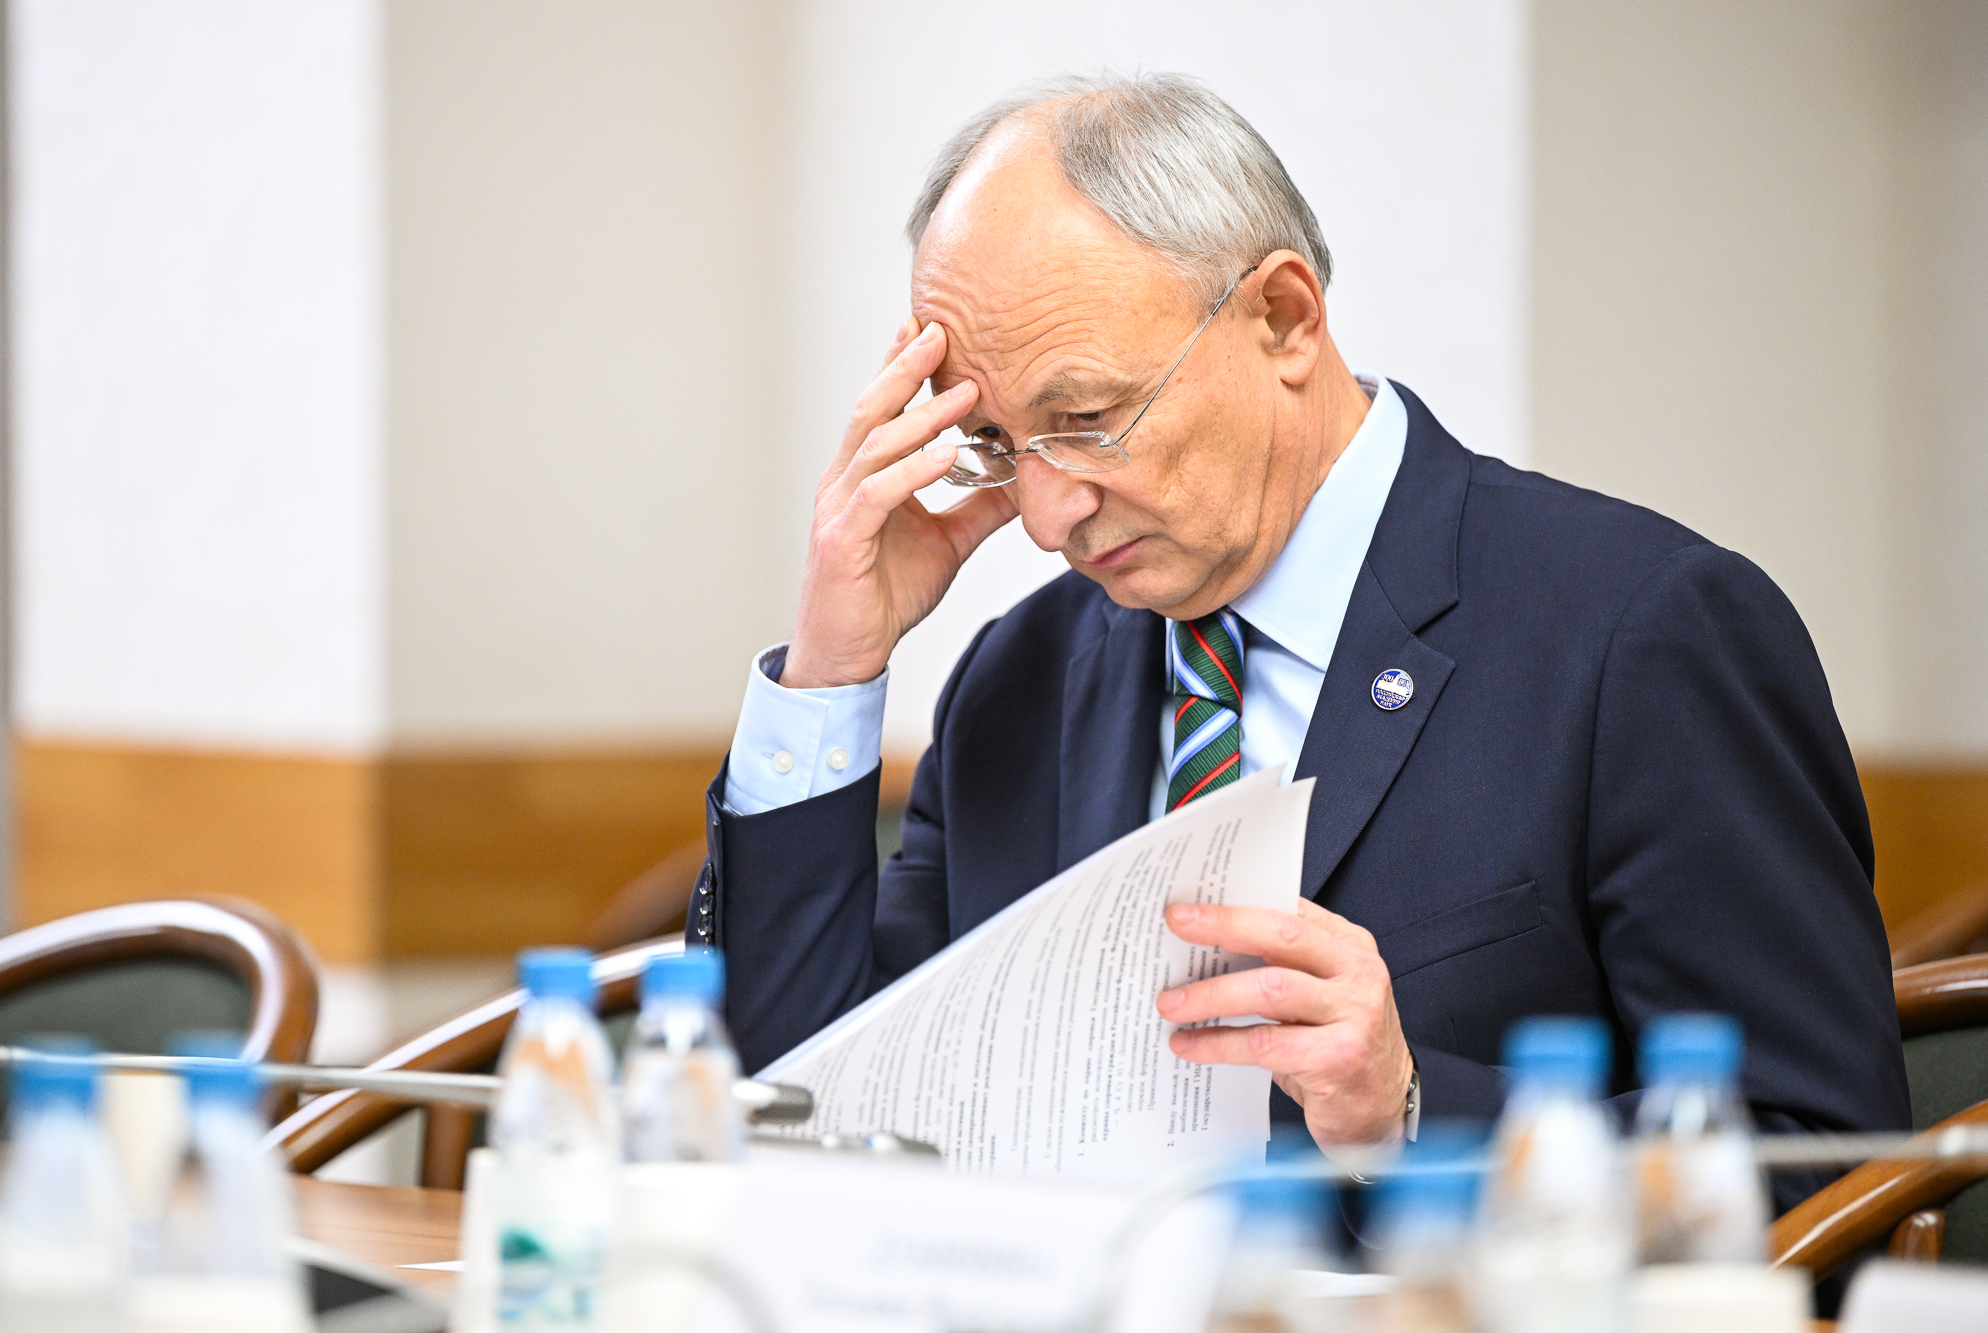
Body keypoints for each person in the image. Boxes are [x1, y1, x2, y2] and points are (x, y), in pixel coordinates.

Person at [687, 74, 1908, 1199]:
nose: (1047, 519)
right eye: (997, 446)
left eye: (1087, 418)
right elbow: (803, 1114)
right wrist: (832, 666)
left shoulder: (1639, 632)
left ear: (1281, 317)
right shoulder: (1024, 673)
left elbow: (1817, 1150)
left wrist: (1411, 1109)